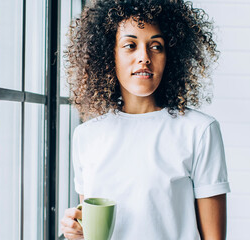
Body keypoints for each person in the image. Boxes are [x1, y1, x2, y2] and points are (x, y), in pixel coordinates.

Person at [61, 0, 230, 239]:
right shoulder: (86, 136)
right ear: (109, 54)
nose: (144, 57)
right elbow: (96, 232)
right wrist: (77, 233)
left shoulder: (200, 130)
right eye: (130, 45)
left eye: (156, 46)